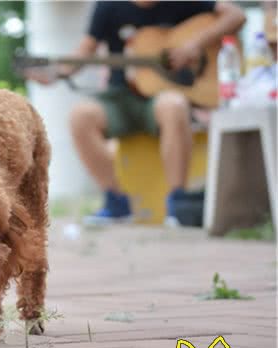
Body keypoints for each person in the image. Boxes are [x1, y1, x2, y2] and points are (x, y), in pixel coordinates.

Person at [27, 1, 245, 225]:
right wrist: (56, 74)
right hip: (120, 96)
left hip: (162, 97)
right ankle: (116, 203)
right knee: (80, 116)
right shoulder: (108, 6)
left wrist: (194, 44)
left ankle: (178, 204)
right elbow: (84, 51)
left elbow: (236, 15)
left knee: (174, 105)